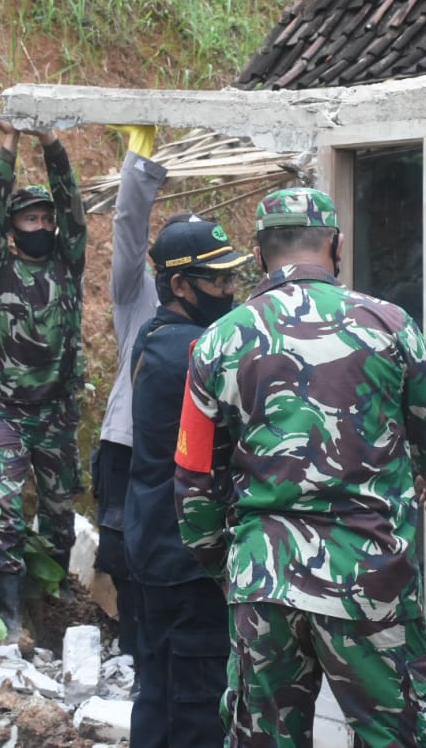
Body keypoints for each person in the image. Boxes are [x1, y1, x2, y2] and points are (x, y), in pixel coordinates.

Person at [174, 187, 426, 747]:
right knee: (404, 735)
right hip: (368, 578)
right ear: (335, 244)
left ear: (260, 254)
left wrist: (230, 565)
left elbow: (193, 481)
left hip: (262, 579)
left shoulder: (215, 343)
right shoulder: (388, 324)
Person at [126, 212, 251, 748]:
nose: (230, 291)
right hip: (187, 557)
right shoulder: (193, 352)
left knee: (157, 693)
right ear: (179, 285)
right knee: (197, 706)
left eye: (231, 278)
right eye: (218, 280)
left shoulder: (160, 338)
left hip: (156, 547)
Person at [0, 107, 87, 638]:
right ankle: (7, 612)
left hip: (57, 410)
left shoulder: (68, 260)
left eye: (45, 218)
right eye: (30, 219)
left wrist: (52, 142)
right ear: (15, 228)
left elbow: (73, 203)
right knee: (3, 508)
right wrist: (8, 146)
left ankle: (57, 597)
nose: (41, 225)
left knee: (60, 509)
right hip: (7, 412)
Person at [90, 123, 164, 659]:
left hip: (183, 452)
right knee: (122, 554)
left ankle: (150, 650)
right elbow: (129, 229)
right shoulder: (137, 296)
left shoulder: (222, 314)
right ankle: (132, 649)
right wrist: (140, 160)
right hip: (127, 445)